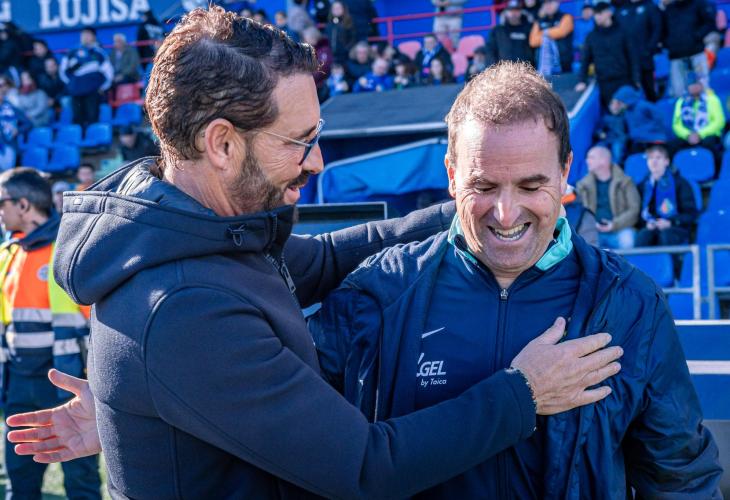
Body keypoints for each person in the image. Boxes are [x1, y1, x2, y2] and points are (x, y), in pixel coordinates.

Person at [6, 10, 624, 498]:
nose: (317, 160)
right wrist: (523, 392)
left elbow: (326, 261)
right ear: (222, 144)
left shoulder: (207, 232)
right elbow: (366, 468)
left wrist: (470, 205)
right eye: (299, 141)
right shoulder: (184, 308)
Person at [310, 62, 721, 497]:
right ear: (452, 175)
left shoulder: (630, 304)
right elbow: (307, 452)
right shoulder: (379, 293)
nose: (506, 214)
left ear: (565, 171)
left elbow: (681, 479)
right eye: (484, 186)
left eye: (530, 186)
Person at [0, 168, 102, 499]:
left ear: (24, 205)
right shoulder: (7, 254)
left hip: (67, 386)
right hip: (18, 384)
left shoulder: (69, 251)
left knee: (81, 481)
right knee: (20, 481)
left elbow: (100, 326)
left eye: (2, 202)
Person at [575, 2, 639, 109]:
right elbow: (585, 61)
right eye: (595, 14)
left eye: (600, 13)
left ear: (609, 13)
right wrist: (582, 81)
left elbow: (633, 58)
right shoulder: (591, 37)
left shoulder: (623, 32)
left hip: (624, 81)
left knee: (629, 113)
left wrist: (636, 79)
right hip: (605, 83)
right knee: (612, 114)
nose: (597, 17)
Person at [576, 145, 640, 249]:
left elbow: (634, 209)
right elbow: (578, 211)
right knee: (583, 242)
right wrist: (592, 225)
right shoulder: (582, 186)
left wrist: (614, 225)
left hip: (620, 229)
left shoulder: (626, 182)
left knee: (628, 239)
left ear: (603, 161)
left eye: (591, 158)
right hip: (594, 231)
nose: (587, 161)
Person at [636, 144, 698, 248]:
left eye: (658, 158)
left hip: (676, 227)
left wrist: (671, 222)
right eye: (650, 158)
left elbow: (690, 213)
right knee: (643, 236)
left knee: (665, 235)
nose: (654, 161)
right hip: (651, 227)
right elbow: (637, 213)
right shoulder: (642, 186)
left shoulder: (680, 183)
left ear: (666, 162)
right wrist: (646, 224)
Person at [59, 27, 113, 129]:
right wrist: (71, 85)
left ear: (94, 37)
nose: (85, 37)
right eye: (83, 34)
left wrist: (103, 87)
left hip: (92, 93)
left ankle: (93, 138)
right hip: (76, 93)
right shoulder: (72, 52)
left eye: (88, 35)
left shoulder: (99, 53)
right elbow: (62, 71)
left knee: (92, 118)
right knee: (77, 120)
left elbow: (109, 73)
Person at [662, 0, 716, 97]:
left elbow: (709, 23)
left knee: (704, 89)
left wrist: (697, 36)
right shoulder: (669, 9)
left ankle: (706, 107)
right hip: (676, 56)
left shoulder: (698, 4)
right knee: (679, 92)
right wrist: (669, 44)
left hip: (697, 53)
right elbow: (661, 30)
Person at [671, 73, 726, 166]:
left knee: (709, 143)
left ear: (701, 85)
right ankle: (676, 171)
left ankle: (717, 171)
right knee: (672, 146)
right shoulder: (681, 102)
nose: (694, 87)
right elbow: (676, 125)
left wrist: (700, 134)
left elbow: (719, 121)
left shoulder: (712, 99)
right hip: (688, 135)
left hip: (707, 135)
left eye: (696, 84)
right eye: (691, 84)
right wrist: (688, 135)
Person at [614, 0, 662, 101]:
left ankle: (653, 108)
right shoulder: (621, 9)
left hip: (645, 58)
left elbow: (657, 29)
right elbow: (615, 33)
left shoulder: (649, 6)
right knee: (629, 95)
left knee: (650, 92)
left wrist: (649, 49)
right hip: (627, 63)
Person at [484, 0, 535, 68]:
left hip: (525, 71)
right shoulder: (497, 31)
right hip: (504, 71)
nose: (514, 13)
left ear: (521, 11)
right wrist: (495, 69)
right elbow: (490, 52)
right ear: (505, 12)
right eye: (511, 10)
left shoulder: (529, 29)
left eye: (516, 10)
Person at [529, 0, 574, 75]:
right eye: (545, 3)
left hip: (563, 68)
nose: (548, 5)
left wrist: (542, 33)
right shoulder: (539, 21)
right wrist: (551, 34)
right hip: (543, 69)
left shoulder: (566, 17)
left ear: (557, 2)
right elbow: (533, 41)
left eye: (550, 2)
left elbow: (561, 32)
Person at [0, 75, 31, 169]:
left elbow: (28, 123)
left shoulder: (10, 108)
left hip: (8, 145)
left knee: (6, 172)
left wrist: (18, 130)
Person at [302, 27, 333, 102]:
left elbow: (324, 68)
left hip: (321, 87)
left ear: (313, 38)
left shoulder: (324, 50)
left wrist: (309, 78)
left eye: (306, 39)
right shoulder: (307, 51)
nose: (305, 41)